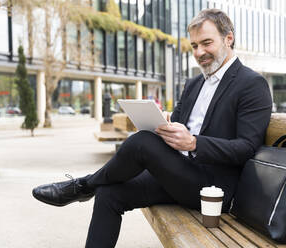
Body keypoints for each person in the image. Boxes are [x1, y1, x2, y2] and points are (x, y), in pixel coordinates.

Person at [32, 9, 272, 248]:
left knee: (142, 142)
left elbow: (247, 148)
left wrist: (194, 143)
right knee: (109, 193)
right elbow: (176, 124)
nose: (199, 53)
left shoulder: (252, 84)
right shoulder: (194, 83)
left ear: (228, 38)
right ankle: (92, 187)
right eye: (194, 46)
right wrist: (162, 126)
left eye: (206, 43)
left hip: (213, 189)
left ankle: (83, 186)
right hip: (179, 173)